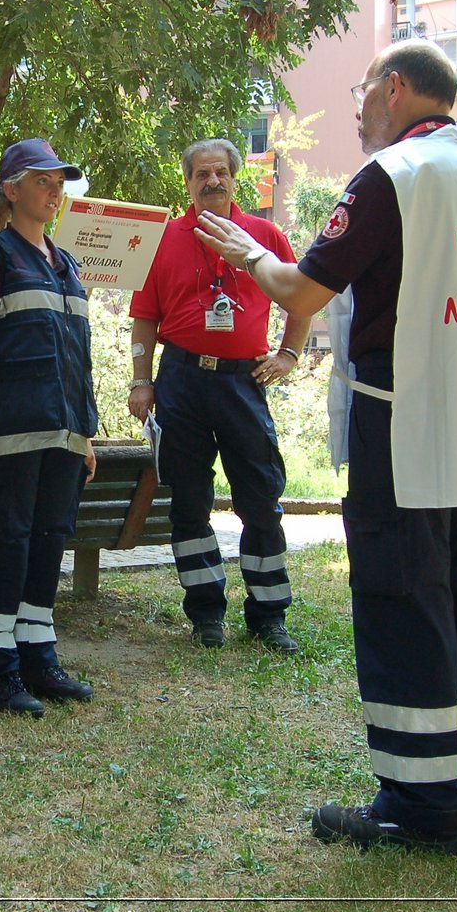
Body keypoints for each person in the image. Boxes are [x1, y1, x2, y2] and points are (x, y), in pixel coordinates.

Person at [194, 39, 457, 854]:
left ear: (394, 89)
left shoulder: (395, 177)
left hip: (411, 422)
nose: (356, 110)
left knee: (404, 600)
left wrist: (251, 252)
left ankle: (420, 805)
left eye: (361, 93)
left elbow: (303, 288)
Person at [127, 138, 310, 651]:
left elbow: (302, 298)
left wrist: (289, 355)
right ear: (188, 182)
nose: (212, 181)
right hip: (181, 379)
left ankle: (269, 616)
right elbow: (144, 317)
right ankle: (206, 614)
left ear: (234, 180)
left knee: (260, 499)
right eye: (201, 174)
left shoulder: (264, 235)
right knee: (188, 501)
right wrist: (142, 380)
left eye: (220, 173)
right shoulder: (164, 240)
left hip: (243, 381)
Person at [0, 140, 99, 717]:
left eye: (59, 180)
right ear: (12, 190)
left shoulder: (65, 264)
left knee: (47, 547)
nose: (54, 189)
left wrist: (85, 435)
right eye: (43, 180)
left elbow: (77, 356)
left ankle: (38, 659)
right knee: (8, 547)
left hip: (64, 435)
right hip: (11, 433)